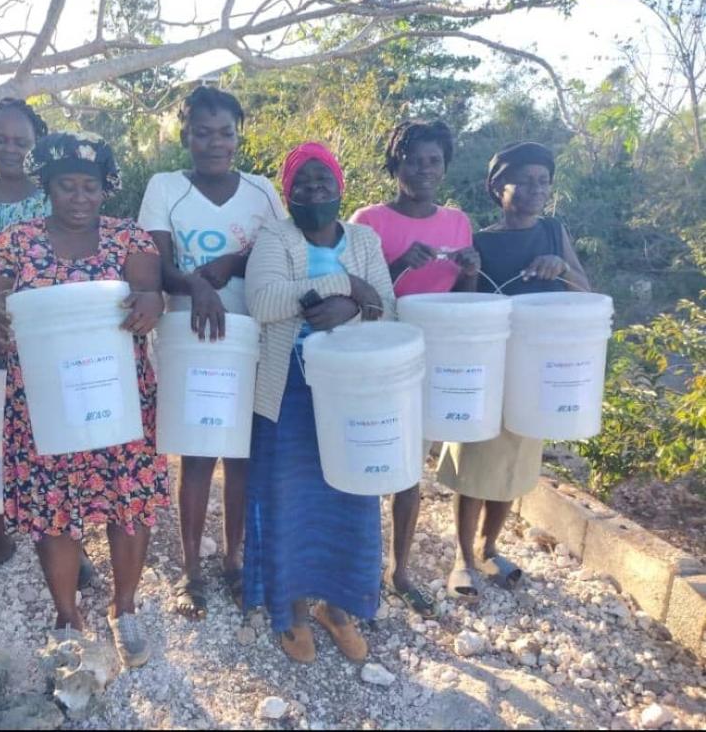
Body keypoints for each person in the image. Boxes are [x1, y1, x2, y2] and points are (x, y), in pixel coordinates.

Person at [0, 132, 169, 668]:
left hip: (119, 400)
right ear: (48, 187)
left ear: (105, 189)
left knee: (128, 501)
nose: (78, 197)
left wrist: (151, 302)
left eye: (90, 187)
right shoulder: (14, 242)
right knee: (53, 512)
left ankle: (123, 607)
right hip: (44, 405)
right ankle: (66, 615)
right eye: (67, 187)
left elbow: (148, 290)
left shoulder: (130, 239)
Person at [243, 142, 397, 664]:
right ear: (287, 194)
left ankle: (338, 606)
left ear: (339, 187)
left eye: (322, 182)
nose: (313, 192)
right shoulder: (274, 236)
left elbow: (387, 308)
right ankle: (290, 612)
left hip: (354, 393)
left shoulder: (365, 238)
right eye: (301, 185)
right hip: (287, 390)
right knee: (289, 501)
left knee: (351, 499)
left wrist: (348, 307)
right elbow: (262, 302)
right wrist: (345, 284)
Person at [138, 86, 285, 620]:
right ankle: (191, 570)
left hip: (252, 338)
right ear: (186, 135)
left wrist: (233, 262)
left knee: (241, 455)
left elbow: (280, 251)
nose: (214, 142)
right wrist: (196, 286)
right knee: (197, 455)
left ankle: (234, 559)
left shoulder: (263, 191)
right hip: (190, 339)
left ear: (238, 136)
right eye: (202, 131)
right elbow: (153, 261)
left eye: (225, 132)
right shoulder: (165, 188)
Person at [0, 98, 97, 585]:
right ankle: (2, 539)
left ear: (35, 147)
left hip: (48, 337)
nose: (9, 149)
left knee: (60, 435)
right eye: (1, 139)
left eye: (21, 142)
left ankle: (74, 542)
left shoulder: (49, 196)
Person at [438, 141, 591, 601]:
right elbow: (462, 305)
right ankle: (461, 558)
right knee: (474, 463)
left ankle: (489, 547)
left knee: (514, 465)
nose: (534, 190)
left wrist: (561, 267)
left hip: (534, 370)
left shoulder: (553, 233)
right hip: (484, 369)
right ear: (496, 188)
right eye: (522, 181)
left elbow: (586, 294)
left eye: (542, 182)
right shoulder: (479, 241)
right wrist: (469, 271)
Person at [349, 120, 480, 617]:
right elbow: (360, 295)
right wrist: (402, 264)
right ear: (395, 165)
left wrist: (468, 272)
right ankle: (358, 567)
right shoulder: (369, 220)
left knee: (411, 466)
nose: (424, 170)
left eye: (434, 161)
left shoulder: (457, 222)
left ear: (444, 166)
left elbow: (464, 302)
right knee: (369, 452)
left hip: (438, 353)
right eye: (414, 160)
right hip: (381, 351)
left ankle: (398, 570)